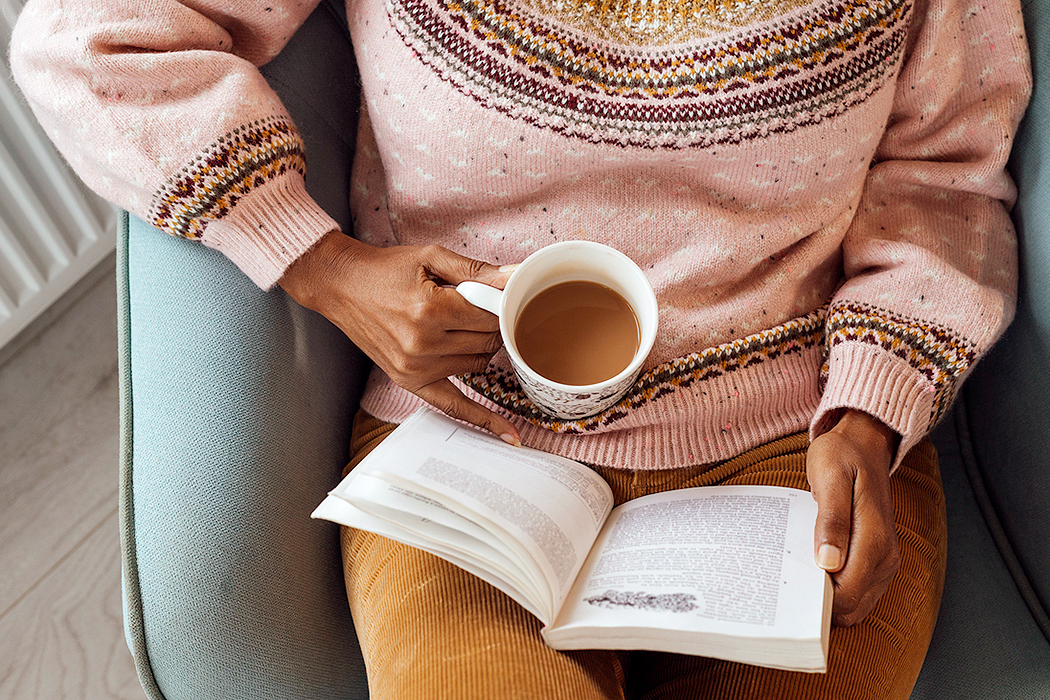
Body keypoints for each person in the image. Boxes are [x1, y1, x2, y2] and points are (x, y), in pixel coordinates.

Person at [8, 0, 1031, 697]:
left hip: (799, 451)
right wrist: (322, 264)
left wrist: (870, 409)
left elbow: (943, 174)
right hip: (465, 438)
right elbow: (89, 38)